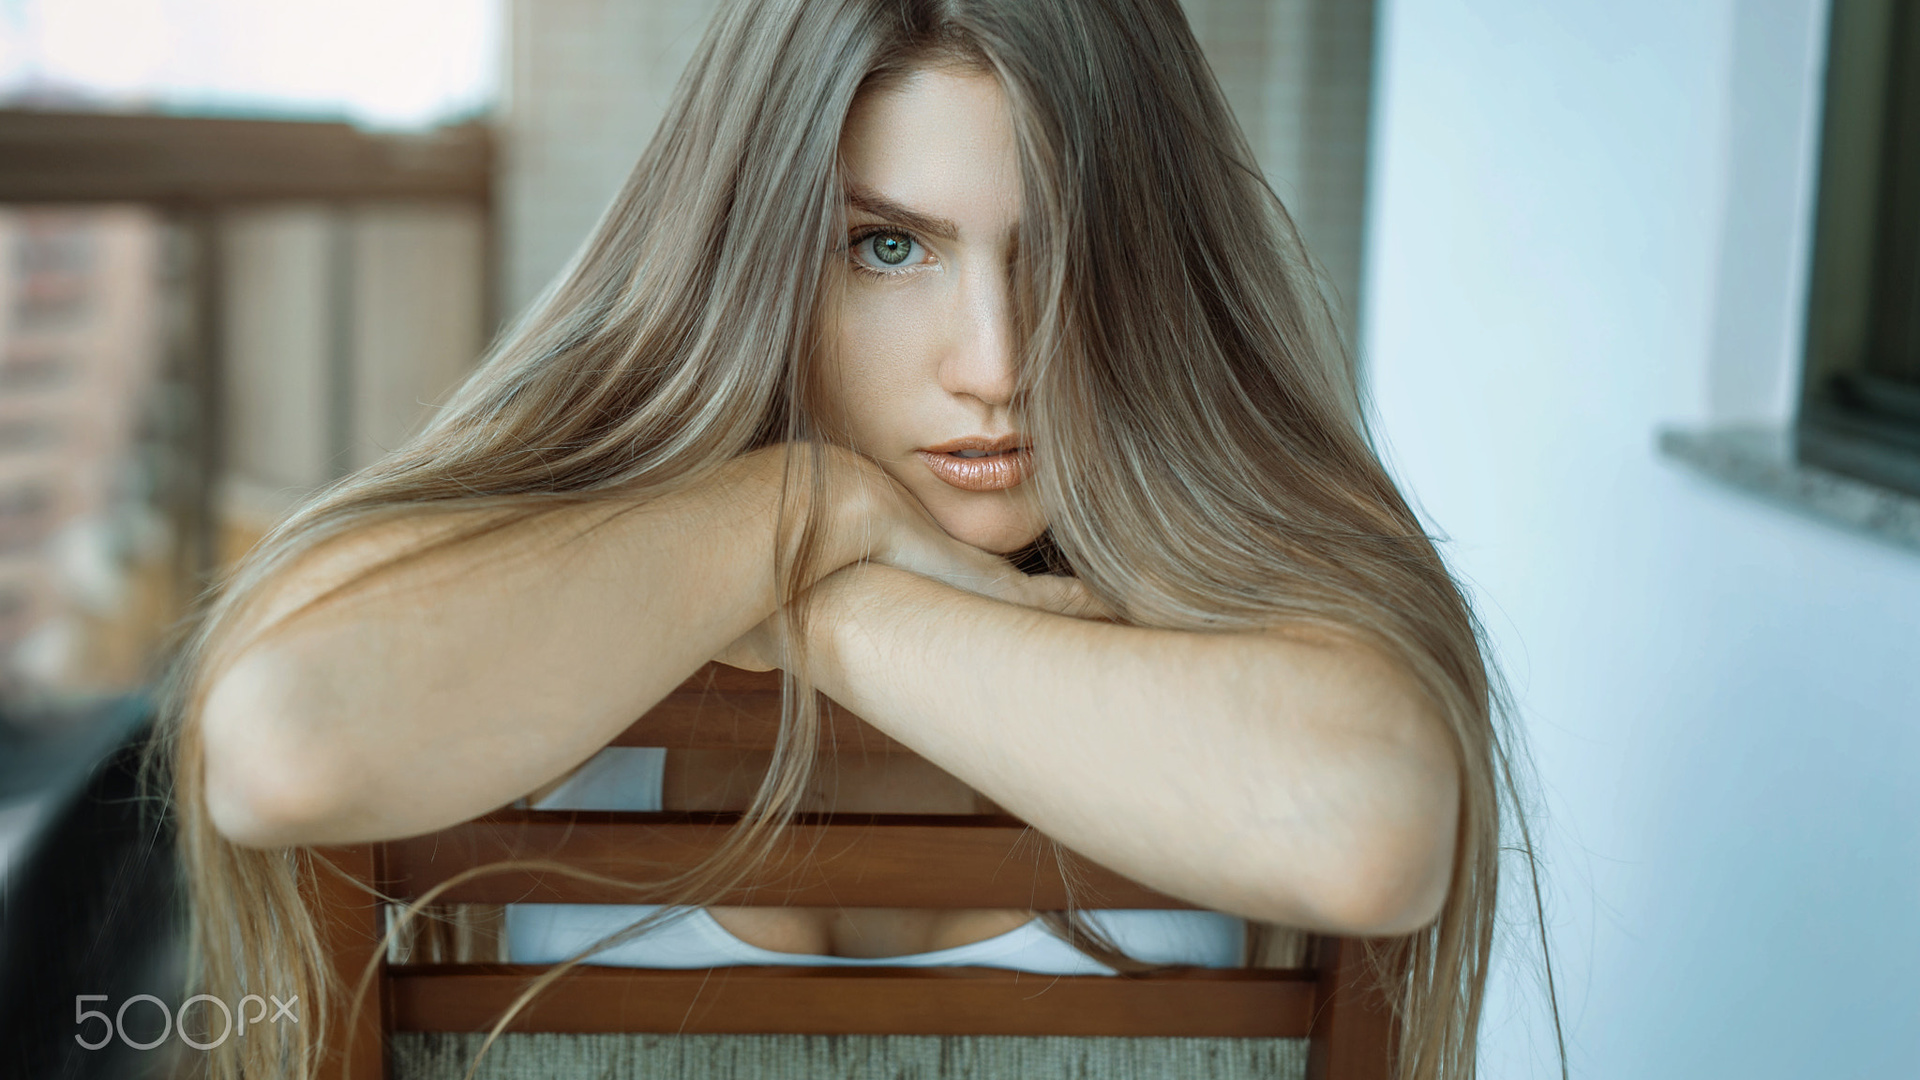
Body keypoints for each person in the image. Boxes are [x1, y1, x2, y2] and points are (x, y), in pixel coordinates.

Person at [149, 1, 1564, 1078]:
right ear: (749, 252)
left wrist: (816, 598)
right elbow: (285, 741)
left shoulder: (1265, 581)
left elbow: (1369, 829)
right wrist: (798, 512)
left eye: (1062, 252)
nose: (996, 363)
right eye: (888, 247)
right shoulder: (553, 572)